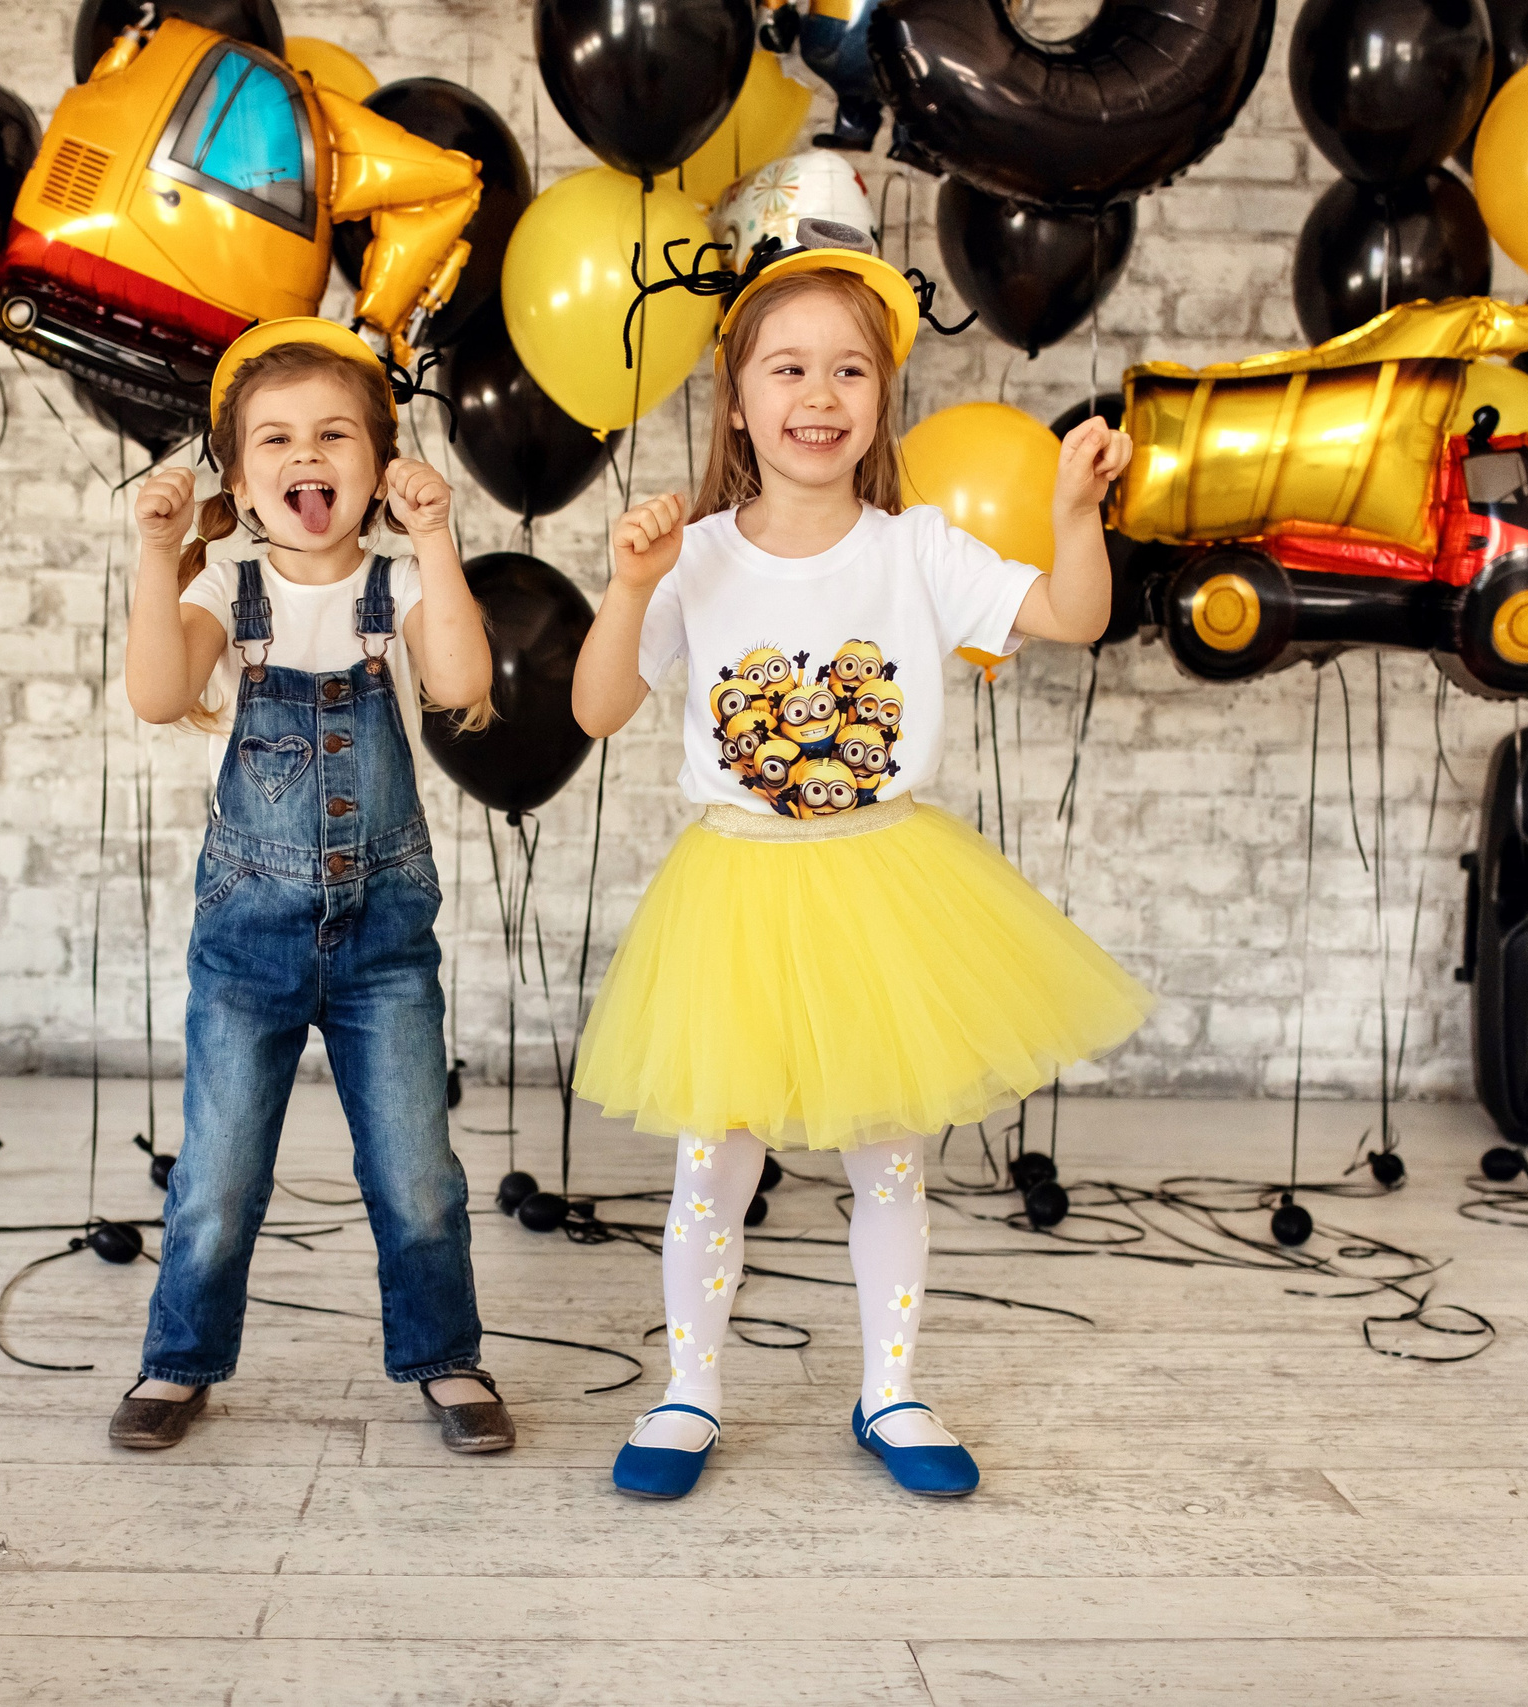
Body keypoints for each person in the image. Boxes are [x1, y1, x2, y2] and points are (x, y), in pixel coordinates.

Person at [570, 223, 1153, 1500]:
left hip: (883, 883)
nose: (818, 395)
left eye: (849, 369)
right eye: (785, 368)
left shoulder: (915, 549)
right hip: (736, 889)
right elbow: (597, 709)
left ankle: (890, 1386)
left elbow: (1072, 614)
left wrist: (1072, 512)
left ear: (884, 396)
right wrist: (626, 587)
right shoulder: (698, 555)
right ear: (735, 399)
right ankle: (689, 1387)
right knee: (712, 1160)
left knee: (888, 1156)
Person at [115, 318, 512, 1456]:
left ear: (379, 471)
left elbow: (461, 680)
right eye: (277, 439)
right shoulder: (227, 590)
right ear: (238, 483)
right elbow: (154, 694)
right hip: (249, 943)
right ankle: (177, 1360)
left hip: (384, 943)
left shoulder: (395, 586)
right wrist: (156, 552)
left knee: (418, 1171)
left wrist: (438, 540)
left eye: (334, 434)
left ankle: (447, 1356)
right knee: (219, 1173)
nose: (307, 453)